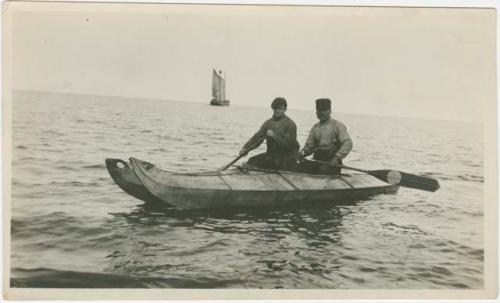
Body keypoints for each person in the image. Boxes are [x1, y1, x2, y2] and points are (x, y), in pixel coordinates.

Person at [239, 97, 300, 170]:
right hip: (271, 156)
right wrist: (246, 148)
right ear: (273, 109)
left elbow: (289, 144)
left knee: (277, 164)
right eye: (275, 109)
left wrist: (274, 136)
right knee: (251, 161)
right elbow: (257, 138)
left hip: (286, 158)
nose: (277, 111)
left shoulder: (290, 124)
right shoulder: (268, 123)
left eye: (280, 109)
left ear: (285, 109)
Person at [296, 98, 353, 175]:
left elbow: (348, 143)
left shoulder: (337, 125)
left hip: (332, 162)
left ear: (330, 111)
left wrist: (337, 158)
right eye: (319, 110)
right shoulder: (315, 127)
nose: (321, 113)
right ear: (316, 112)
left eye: (324, 110)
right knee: (298, 168)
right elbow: (310, 146)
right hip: (318, 160)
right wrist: (303, 152)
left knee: (321, 171)